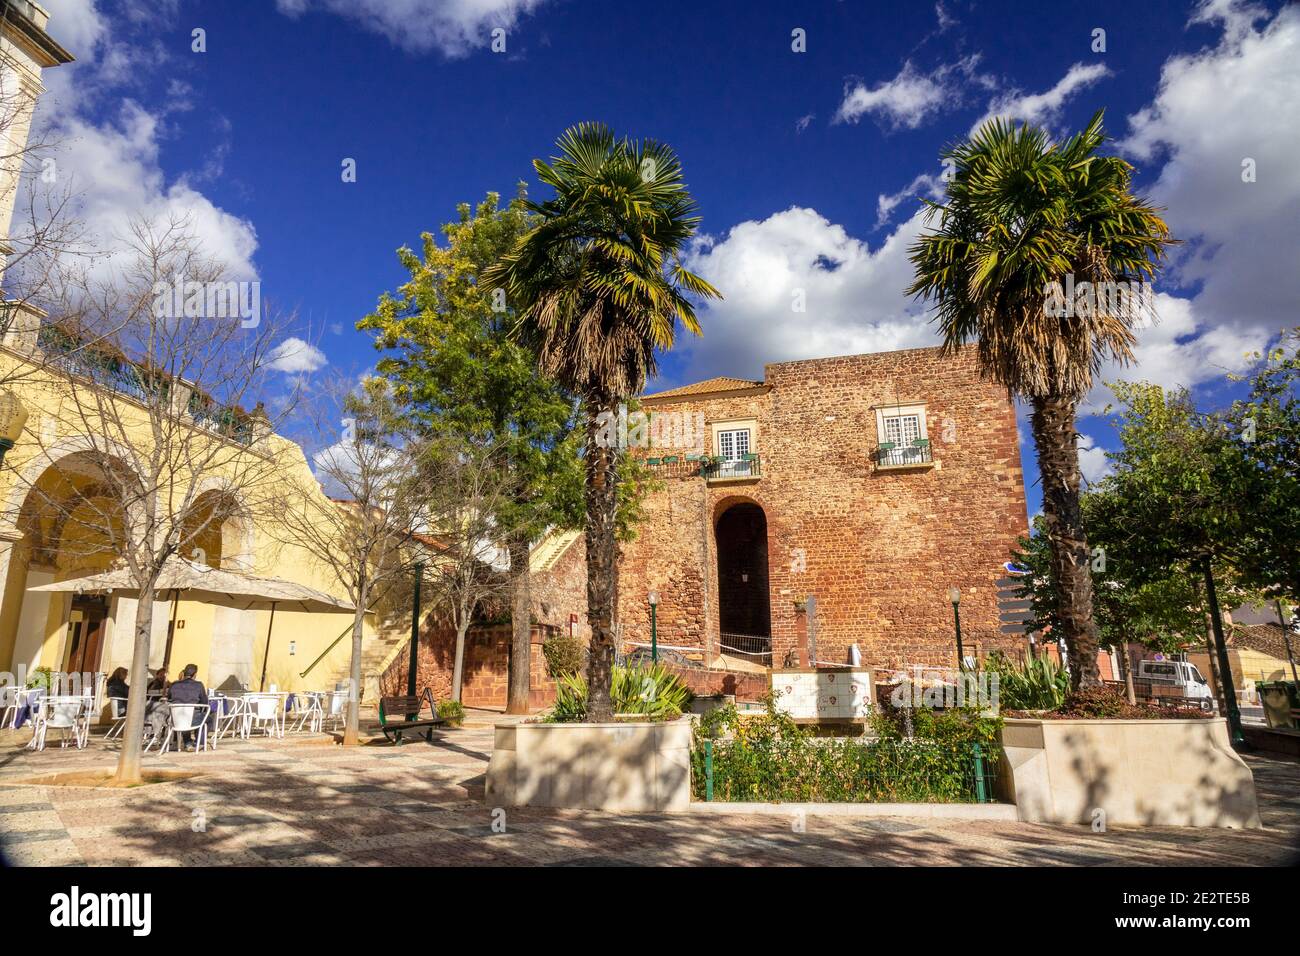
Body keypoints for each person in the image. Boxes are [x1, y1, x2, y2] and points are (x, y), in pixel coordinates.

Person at [167, 664, 209, 751]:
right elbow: (204, 702)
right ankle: (199, 742)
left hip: (175, 719)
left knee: (185, 718)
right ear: (194, 674)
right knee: (207, 718)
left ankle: (187, 743)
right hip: (191, 719)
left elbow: (169, 698)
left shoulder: (174, 684)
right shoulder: (199, 685)